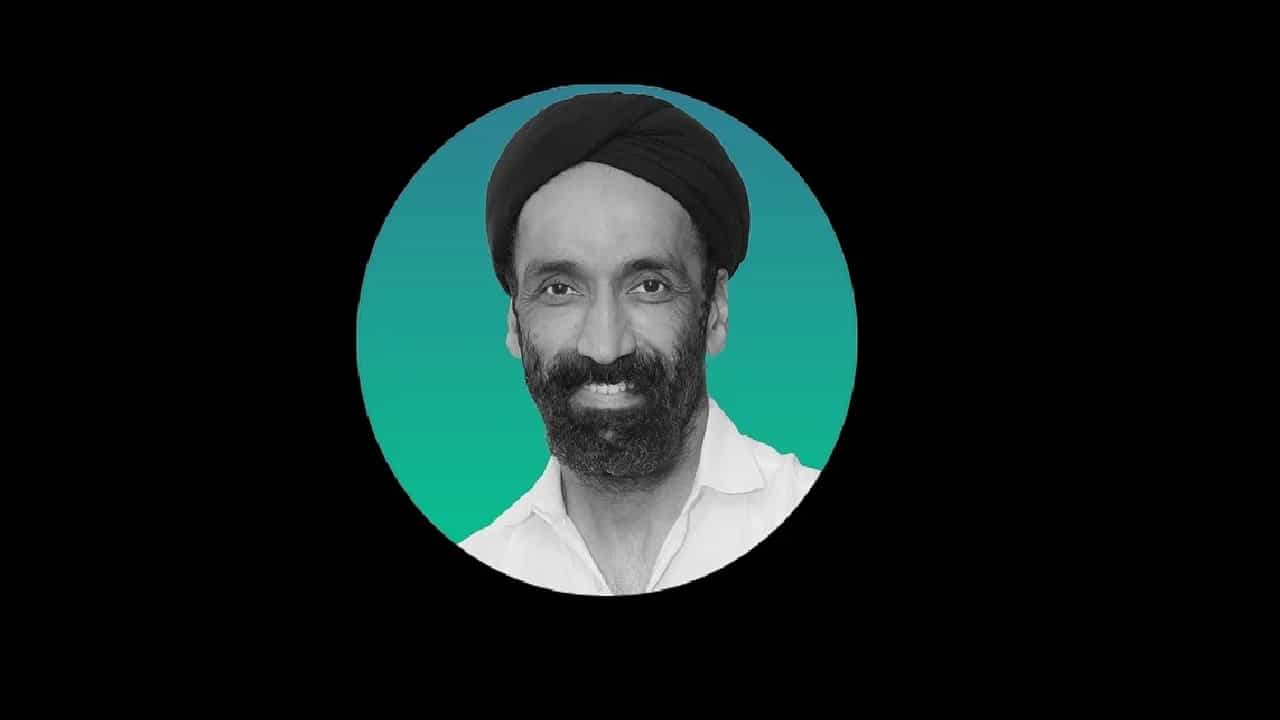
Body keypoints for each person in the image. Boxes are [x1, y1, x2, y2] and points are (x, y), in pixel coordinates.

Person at [459, 91, 822, 596]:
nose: (605, 346)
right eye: (560, 289)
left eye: (649, 286)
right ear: (515, 323)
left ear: (715, 310)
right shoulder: (488, 556)